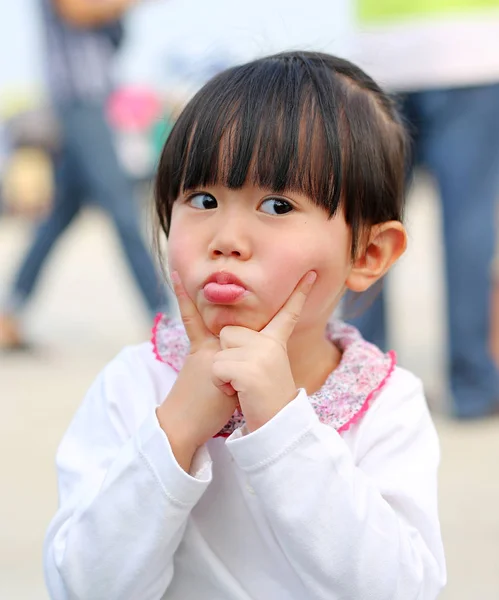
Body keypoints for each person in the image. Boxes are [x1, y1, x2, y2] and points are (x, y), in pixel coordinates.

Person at [43, 52, 446, 599]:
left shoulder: (386, 406)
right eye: (203, 199)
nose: (227, 236)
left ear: (368, 253)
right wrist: (177, 430)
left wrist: (283, 426)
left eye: (277, 205)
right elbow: (83, 586)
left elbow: (399, 589)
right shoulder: (136, 384)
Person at [350, 0, 499, 419]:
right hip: (472, 48)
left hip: (381, 53)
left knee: (368, 221)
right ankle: (472, 389)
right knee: (468, 225)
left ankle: (361, 385)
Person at [0, 0, 169, 349]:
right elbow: (76, 9)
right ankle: (162, 319)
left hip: (93, 100)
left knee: (60, 215)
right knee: (122, 209)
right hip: (80, 102)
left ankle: (9, 313)